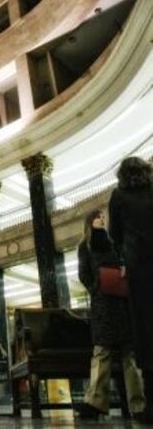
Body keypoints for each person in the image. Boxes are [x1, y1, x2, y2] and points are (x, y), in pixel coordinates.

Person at [76, 208, 145, 420]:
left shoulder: (115, 242)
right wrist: (96, 288)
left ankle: (139, 405)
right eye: (97, 216)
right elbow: (83, 274)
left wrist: (124, 269)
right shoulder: (85, 246)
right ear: (90, 221)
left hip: (122, 303)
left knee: (130, 355)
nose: (102, 219)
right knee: (102, 352)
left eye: (103, 216)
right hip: (102, 305)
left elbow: (127, 262)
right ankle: (95, 403)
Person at [109, 156, 153, 424]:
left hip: (139, 273)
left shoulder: (119, 196)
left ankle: (151, 406)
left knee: (145, 335)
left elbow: (114, 233)